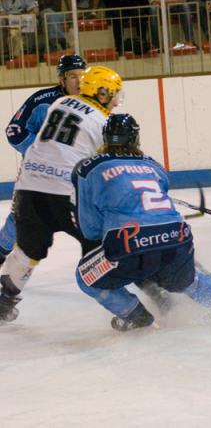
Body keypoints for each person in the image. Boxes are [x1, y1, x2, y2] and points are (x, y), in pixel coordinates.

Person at [72, 114, 211, 331]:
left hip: (129, 243)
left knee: (85, 276)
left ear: (106, 138)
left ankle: (136, 316)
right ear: (135, 138)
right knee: (184, 280)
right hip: (177, 238)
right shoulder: (154, 166)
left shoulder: (88, 168)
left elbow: (90, 229)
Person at [0, 65, 123, 323]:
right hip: (65, 194)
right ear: (101, 93)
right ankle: (134, 308)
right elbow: (106, 170)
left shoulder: (60, 103)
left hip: (28, 187)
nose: (116, 101)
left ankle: (3, 302)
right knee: (103, 247)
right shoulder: (104, 123)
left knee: (27, 251)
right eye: (114, 94)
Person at [0, 54, 87, 268]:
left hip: (75, 174)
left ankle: (115, 265)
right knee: (20, 218)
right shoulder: (43, 100)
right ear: (62, 79)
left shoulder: (92, 102)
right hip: (39, 172)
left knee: (90, 219)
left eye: (82, 76)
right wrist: (42, 154)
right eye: (72, 76)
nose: (79, 81)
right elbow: (14, 130)